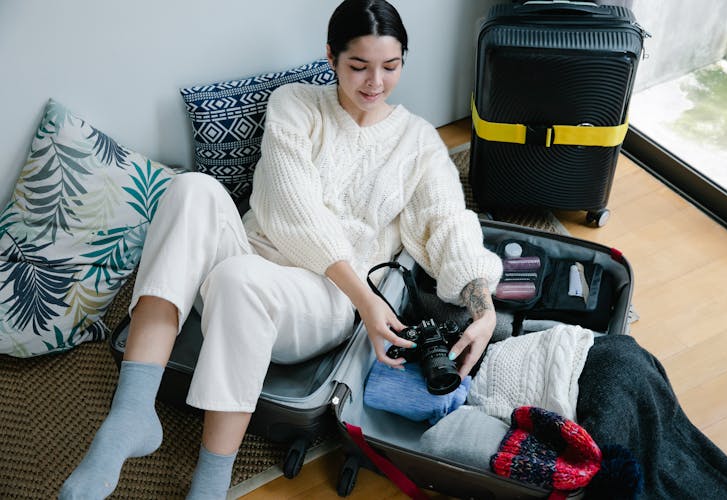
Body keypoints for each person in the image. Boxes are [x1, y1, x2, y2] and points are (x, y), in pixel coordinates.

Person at [59, 0, 502, 498]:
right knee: (192, 189)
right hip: (257, 261)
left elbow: (448, 224)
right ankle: (131, 414)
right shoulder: (294, 102)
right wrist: (369, 298)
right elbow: (290, 208)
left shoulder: (418, 142)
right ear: (331, 57)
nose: (375, 82)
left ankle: (210, 484)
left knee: (239, 280)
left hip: (321, 301)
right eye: (358, 66)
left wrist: (480, 305)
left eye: (391, 66)